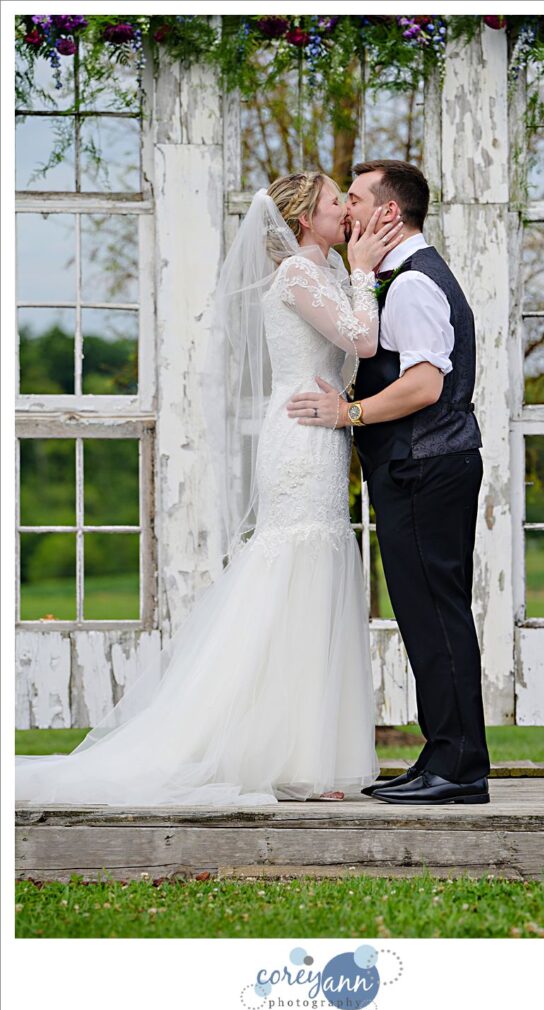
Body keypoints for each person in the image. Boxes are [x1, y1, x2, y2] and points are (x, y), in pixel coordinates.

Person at [15, 172, 405, 807]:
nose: (346, 212)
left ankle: (308, 753)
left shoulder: (326, 275)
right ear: (306, 219)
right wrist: (363, 271)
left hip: (324, 431)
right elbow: (362, 337)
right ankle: (275, 751)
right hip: (300, 439)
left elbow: (352, 354)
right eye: (337, 202)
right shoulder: (302, 275)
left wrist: (355, 285)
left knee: (319, 570)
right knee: (296, 569)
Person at [288, 160, 491, 805]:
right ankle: (443, 756)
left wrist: (348, 412)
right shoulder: (399, 280)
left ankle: (458, 770)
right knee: (426, 614)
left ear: (387, 213)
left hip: (425, 466)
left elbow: (425, 385)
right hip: (422, 466)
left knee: (435, 614)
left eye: (355, 197)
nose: (347, 208)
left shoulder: (411, 286)